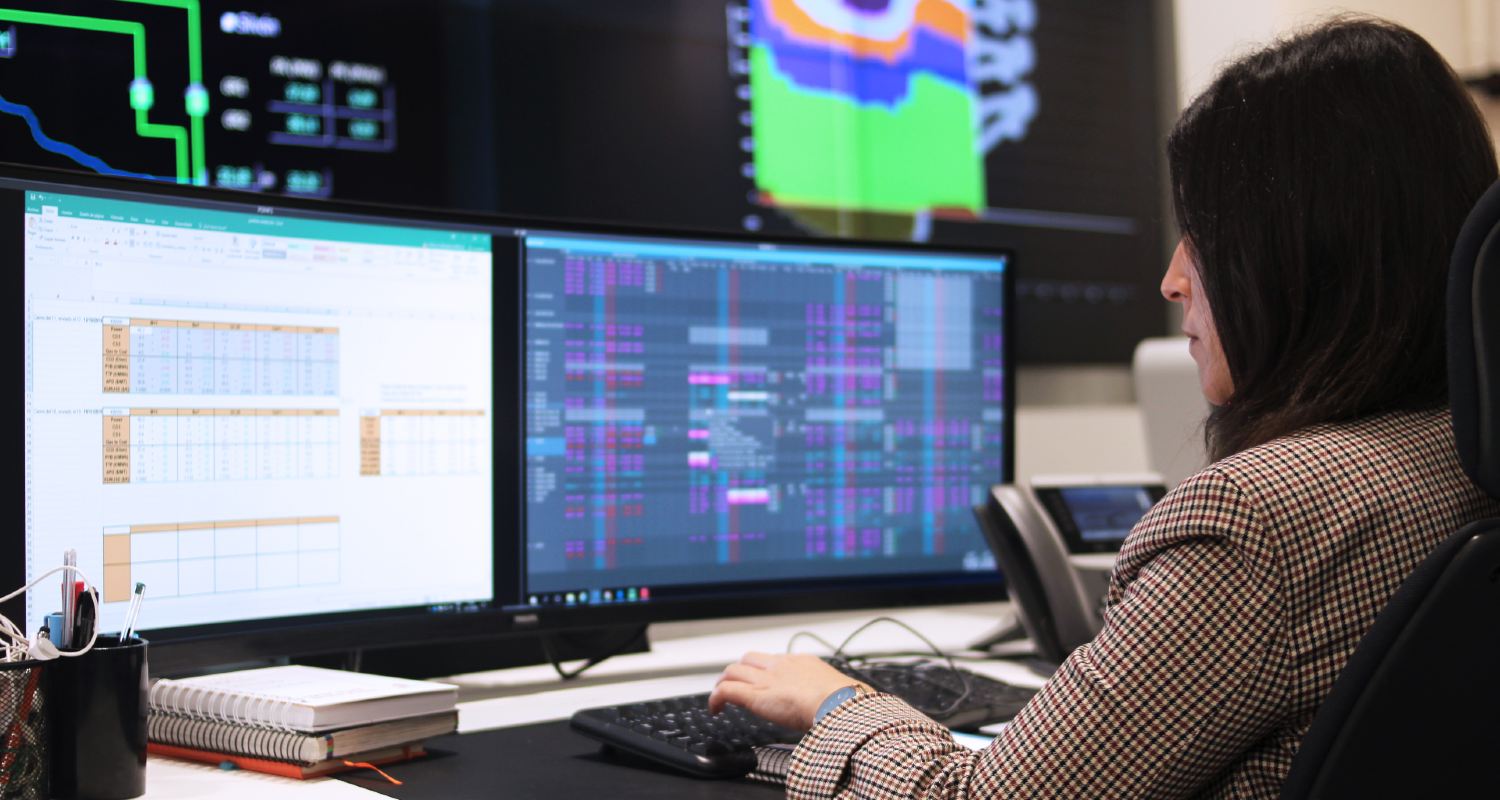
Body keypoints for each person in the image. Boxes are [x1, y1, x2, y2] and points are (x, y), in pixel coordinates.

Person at [709, 17, 1500, 799]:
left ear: (1304, 253)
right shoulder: (1458, 467)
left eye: (1202, 232)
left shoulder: (1256, 519)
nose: (1171, 278)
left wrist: (839, 701)